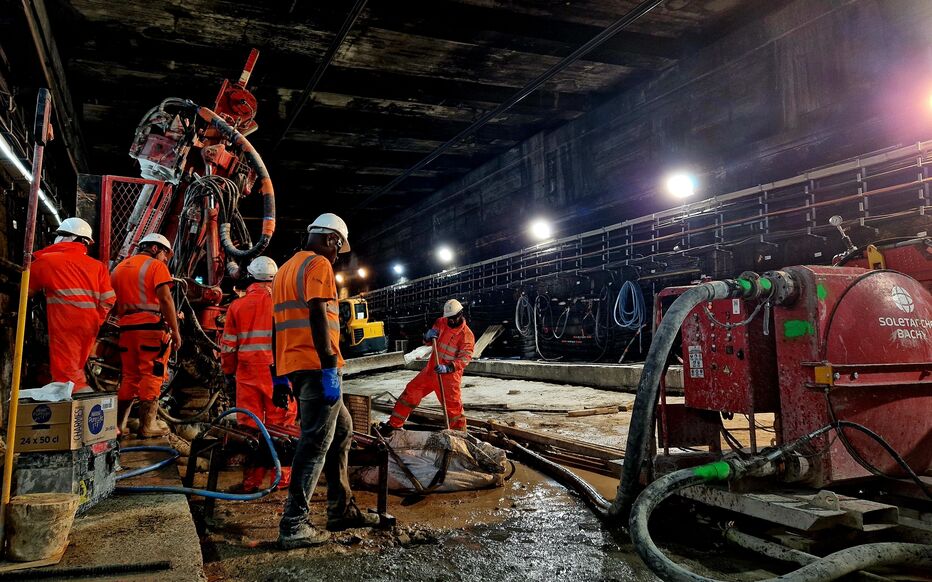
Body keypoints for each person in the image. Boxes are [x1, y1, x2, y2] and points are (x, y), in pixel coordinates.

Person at [272, 213, 379, 549]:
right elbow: (319, 313)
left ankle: (340, 509)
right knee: (315, 442)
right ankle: (294, 524)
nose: (337, 255)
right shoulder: (317, 264)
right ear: (331, 239)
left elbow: (278, 326)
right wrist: (330, 366)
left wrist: (279, 374)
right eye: (338, 248)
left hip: (296, 364)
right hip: (317, 365)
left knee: (342, 430)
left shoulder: (285, 269)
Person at [220, 256, 297, 492]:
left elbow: (229, 345)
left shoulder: (237, 306)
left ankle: (251, 481)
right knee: (281, 425)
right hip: (279, 374)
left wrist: (228, 370)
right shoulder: (284, 304)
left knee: (250, 426)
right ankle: (282, 479)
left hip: (247, 372)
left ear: (250, 277)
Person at [28, 217, 115, 393]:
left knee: (66, 372)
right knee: (76, 365)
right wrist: (97, 319)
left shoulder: (47, 261)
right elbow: (108, 299)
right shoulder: (98, 266)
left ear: (69, 237)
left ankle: (80, 406)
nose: (57, 238)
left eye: (60, 234)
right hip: (89, 323)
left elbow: (25, 292)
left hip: (65, 321)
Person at [111, 233, 182, 437]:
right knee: (153, 374)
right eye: (165, 254)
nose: (165, 259)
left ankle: (119, 426)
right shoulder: (156, 267)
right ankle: (147, 426)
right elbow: (165, 300)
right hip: (150, 331)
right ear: (154, 248)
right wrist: (175, 330)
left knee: (130, 376)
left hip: (126, 330)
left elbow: (113, 304)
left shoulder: (119, 268)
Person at [382, 299, 474, 433]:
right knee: (410, 393)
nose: (451, 321)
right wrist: (427, 337)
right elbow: (429, 342)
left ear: (461, 314)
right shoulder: (441, 322)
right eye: (449, 318)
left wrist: (448, 367)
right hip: (431, 371)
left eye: (453, 318)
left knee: (454, 410)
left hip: (449, 378)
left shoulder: (467, 335)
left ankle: (460, 436)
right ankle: (394, 425)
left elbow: (465, 358)